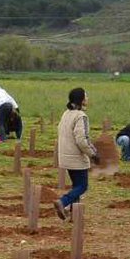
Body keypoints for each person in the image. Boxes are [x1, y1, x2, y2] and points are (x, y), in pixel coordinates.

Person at [54, 87, 98, 221]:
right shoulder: (81, 116)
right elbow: (82, 140)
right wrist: (94, 154)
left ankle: (74, 215)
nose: (88, 98)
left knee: (76, 185)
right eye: (86, 96)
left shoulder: (66, 113)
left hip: (64, 156)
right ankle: (63, 202)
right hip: (76, 158)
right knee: (82, 186)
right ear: (82, 100)